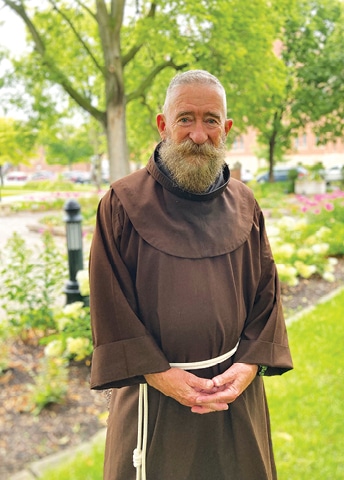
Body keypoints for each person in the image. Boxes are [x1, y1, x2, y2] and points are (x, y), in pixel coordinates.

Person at [88, 70, 294, 479]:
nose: (198, 135)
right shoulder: (122, 203)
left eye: (211, 120)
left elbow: (266, 296)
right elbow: (110, 304)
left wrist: (248, 367)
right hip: (155, 403)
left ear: (226, 128)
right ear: (164, 125)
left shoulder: (245, 203)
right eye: (185, 119)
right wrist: (161, 375)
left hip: (235, 398)